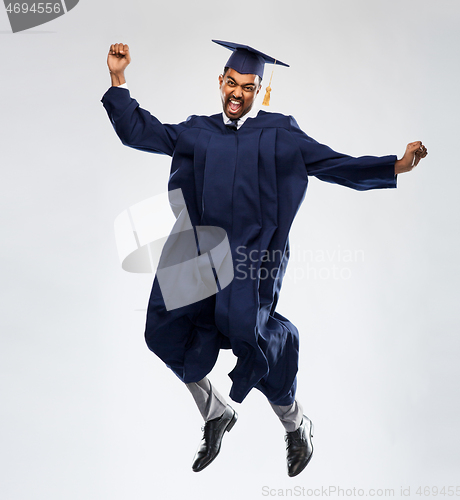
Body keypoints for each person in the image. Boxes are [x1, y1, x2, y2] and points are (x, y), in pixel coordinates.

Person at [101, 40, 428, 477]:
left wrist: (394, 166)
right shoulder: (197, 133)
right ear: (220, 82)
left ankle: (296, 425)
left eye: (248, 87)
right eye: (231, 84)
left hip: (251, 260)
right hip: (198, 255)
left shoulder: (279, 135)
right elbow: (141, 130)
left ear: (260, 91)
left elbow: (334, 164)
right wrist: (119, 79)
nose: (237, 94)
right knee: (163, 331)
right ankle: (215, 412)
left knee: (250, 338)